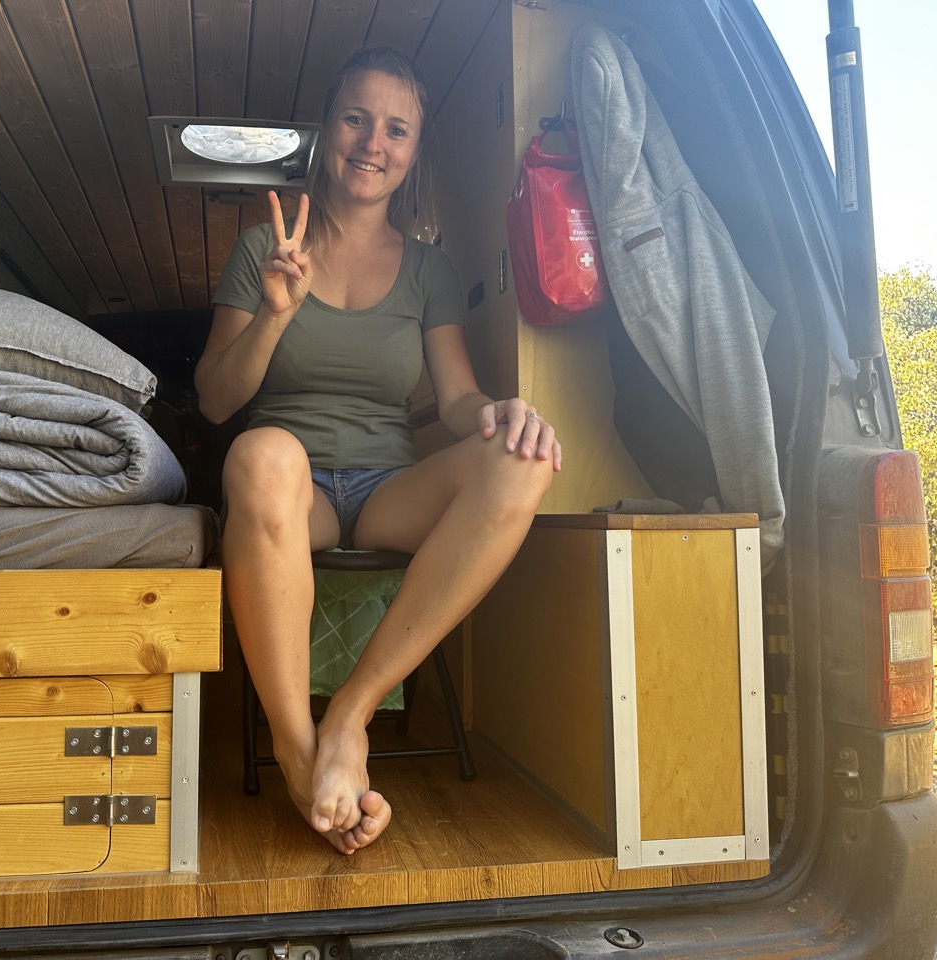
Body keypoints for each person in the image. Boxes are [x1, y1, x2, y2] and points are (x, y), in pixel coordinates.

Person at [194, 47, 560, 855]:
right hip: (296, 495)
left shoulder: (430, 270)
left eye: (397, 129)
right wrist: (275, 315)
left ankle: (349, 718)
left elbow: (457, 402)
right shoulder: (262, 251)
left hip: (389, 490)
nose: (373, 142)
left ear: (414, 151)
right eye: (356, 119)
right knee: (260, 453)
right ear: (327, 129)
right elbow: (216, 399)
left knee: (524, 459)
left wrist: (501, 410)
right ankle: (297, 751)